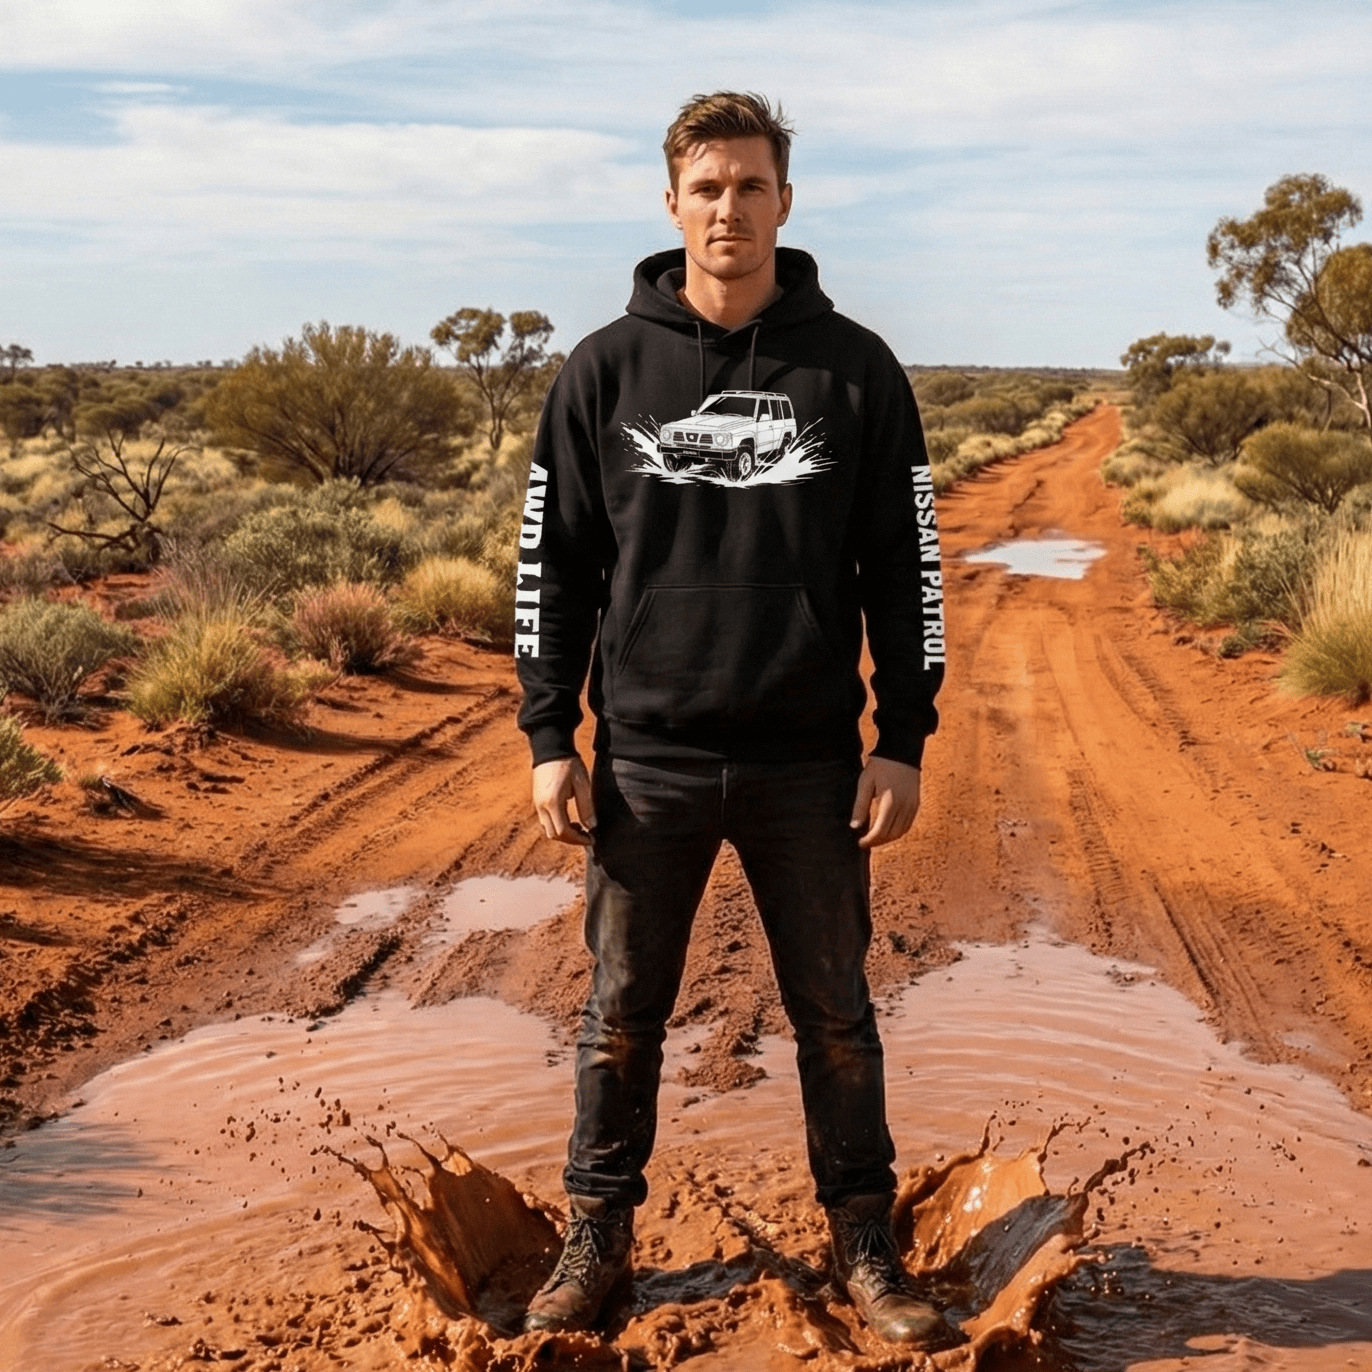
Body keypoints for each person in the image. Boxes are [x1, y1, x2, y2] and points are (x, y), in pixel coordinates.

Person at [513, 91, 954, 1348]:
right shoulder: (603, 368)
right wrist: (551, 734)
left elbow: (905, 570)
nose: (728, 208)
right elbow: (553, 567)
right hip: (646, 758)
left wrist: (902, 737)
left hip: (809, 761)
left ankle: (865, 1242)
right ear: (672, 204)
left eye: (749, 185)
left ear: (784, 202)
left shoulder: (852, 369)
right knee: (619, 1014)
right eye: (705, 188)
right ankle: (595, 1238)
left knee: (834, 1013)